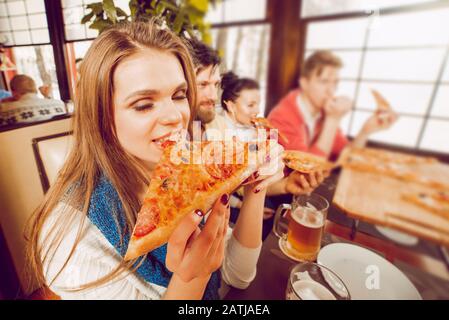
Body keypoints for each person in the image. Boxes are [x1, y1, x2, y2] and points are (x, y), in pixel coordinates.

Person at [25, 20, 285, 300]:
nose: (176, 116)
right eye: (144, 104)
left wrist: (255, 187)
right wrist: (192, 275)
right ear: (100, 116)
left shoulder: (190, 169)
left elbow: (237, 276)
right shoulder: (72, 237)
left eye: (179, 95)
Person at [268, 50, 398, 160]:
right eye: (324, 81)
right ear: (304, 83)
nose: (331, 90)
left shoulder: (324, 110)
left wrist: (366, 131)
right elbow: (304, 172)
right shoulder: (281, 117)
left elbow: (347, 157)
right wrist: (333, 119)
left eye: (335, 82)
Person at [0, 75, 66, 127]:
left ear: (14, 92)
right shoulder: (59, 104)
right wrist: (47, 97)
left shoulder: (4, 111)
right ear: (35, 89)